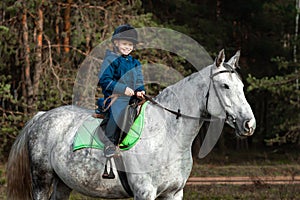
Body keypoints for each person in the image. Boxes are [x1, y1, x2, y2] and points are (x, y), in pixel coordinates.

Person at [98, 24, 145, 157]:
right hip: (115, 98)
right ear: (116, 42)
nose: (127, 47)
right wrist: (123, 89)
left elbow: (139, 81)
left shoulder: (135, 63)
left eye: (130, 45)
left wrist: (140, 90)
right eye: (124, 43)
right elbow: (105, 80)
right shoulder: (110, 60)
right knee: (119, 109)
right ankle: (109, 143)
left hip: (132, 98)